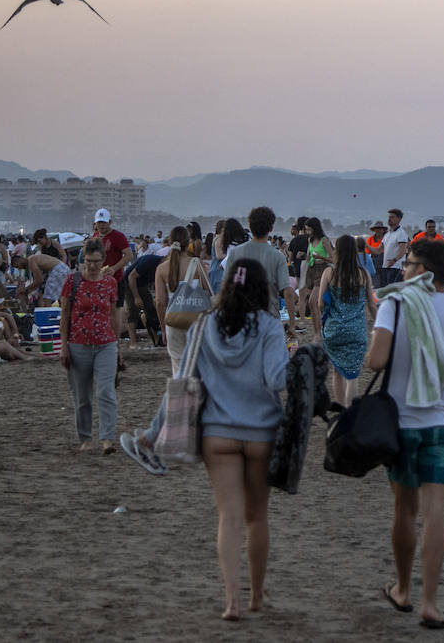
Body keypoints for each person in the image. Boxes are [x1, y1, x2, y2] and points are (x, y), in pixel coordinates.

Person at [365, 239, 444, 630]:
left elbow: (376, 361)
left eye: (409, 263)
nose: (403, 270)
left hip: (403, 422)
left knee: (404, 509)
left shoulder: (394, 304)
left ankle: (402, 589)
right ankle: (430, 603)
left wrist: (378, 344)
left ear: (426, 271)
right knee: (436, 513)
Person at [194, 260, 290, 620]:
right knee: (257, 518)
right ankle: (258, 596)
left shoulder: (204, 324)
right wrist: (297, 361)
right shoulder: (268, 326)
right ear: (261, 289)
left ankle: (232, 600)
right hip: (261, 432)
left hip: (217, 432)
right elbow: (276, 379)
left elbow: (187, 381)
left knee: (228, 518)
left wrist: (155, 432)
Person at [60, 239, 121, 453]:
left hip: (106, 343)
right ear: (82, 260)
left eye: (96, 261)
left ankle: (107, 440)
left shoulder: (110, 283)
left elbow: (113, 314)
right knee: (82, 396)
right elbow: (65, 314)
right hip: (78, 344)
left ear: (103, 261)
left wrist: (118, 345)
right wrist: (64, 345)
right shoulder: (72, 281)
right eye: (88, 261)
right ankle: (85, 438)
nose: (92, 266)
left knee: (106, 392)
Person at [313, 234, 375, 407]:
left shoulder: (329, 272)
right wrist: (378, 323)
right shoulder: (363, 274)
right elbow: (371, 303)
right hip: (356, 332)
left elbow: (320, 304)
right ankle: (350, 413)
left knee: (337, 371)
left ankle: (340, 409)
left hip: (333, 330)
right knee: (353, 376)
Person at [224, 208, 299, 341]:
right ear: (270, 228)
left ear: (250, 227)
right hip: (269, 319)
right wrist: (292, 325)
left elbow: (226, 287)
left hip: (241, 318)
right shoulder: (278, 256)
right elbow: (287, 292)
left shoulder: (235, 253)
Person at [154, 225, 214, 374]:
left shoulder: (162, 269)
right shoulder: (198, 264)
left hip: (174, 322)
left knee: (178, 370)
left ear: (170, 243)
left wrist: (163, 328)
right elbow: (209, 293)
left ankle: (180, 396)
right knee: (199, 368)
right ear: (188, 243)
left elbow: (160, 303)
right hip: (196, 322)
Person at [90, 209, 135, 344]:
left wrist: (115, 268)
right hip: (99, 279)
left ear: (109, 222)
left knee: (116, 311)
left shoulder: (118, 236)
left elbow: (129, 255)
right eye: (99, 223)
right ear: (95, 224)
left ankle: (115, 340)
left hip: (116, 280)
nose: (102, 226)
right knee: (100, 309)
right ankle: (103, 336)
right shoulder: (96, 236)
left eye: (104, 223)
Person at [380, 209, 410, 287]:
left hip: (396, 267)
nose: (389, 219)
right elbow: (379, 250)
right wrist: (366, 246)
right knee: (386, 290)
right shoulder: (387, 234)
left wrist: (394, 260)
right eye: (389, 217)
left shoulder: (401, 233)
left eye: (392, 217)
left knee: (393, 291)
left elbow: (403, 250)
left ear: (399, 219)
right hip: (386, 267)